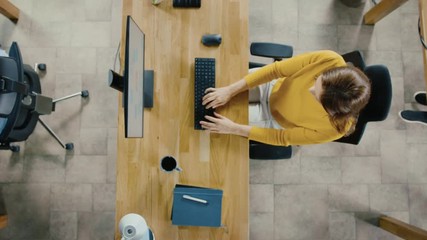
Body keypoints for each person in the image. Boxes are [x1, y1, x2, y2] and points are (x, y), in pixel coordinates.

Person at [200, 50, 371, 146]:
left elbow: (282, 138)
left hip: (271, 119)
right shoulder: (329, 60)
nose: (310, 89)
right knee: (213, 90)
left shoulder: (335, 129)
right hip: (271, 86)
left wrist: (234, 128)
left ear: (332, 112)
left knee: (210, 122)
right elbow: (276, 70)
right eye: (316, 82)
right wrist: (230, 90)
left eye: (317, 97)